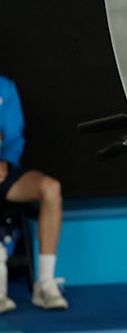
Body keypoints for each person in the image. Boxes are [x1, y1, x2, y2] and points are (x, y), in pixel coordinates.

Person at [0, 75, 68, 312]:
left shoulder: (4, 87)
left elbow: (13, 136)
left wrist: (5, 162)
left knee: (50, 188)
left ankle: (45, 283)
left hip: (3, 170)